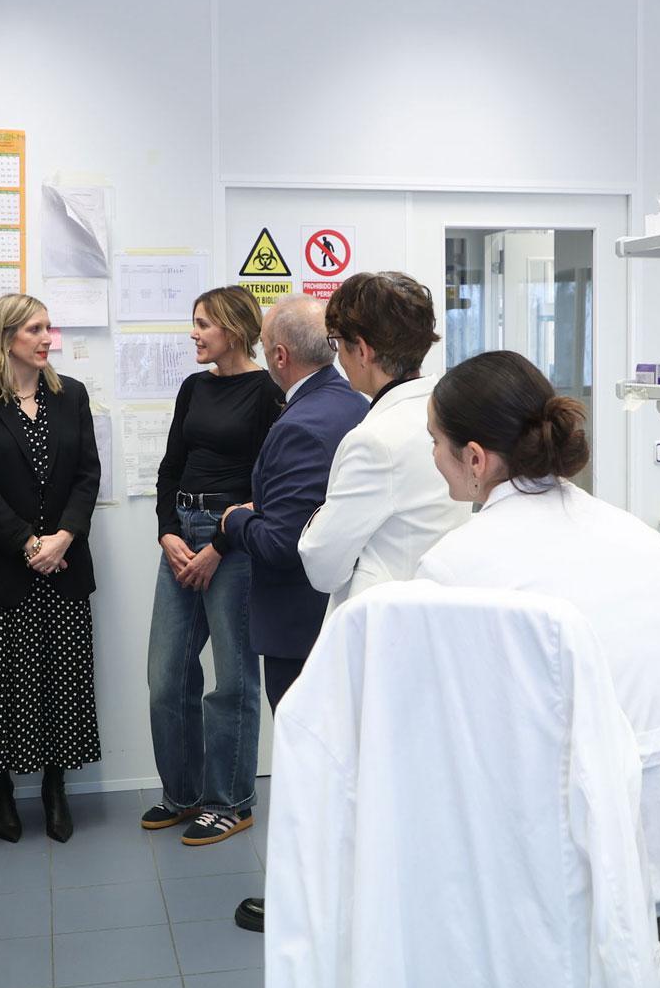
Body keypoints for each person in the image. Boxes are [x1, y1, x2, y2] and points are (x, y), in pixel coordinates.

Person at [415, 350, 660, 939]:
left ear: (474, 459)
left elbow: (442, 739)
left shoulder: (454, 568)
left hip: (556, 866)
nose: (432, 458)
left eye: (435, 441)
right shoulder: (638, 537)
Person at [0, 293, 103, 844]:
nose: (47, 339)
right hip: (0, 567)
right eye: (35, 329)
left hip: (63, 565)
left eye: (49, 328)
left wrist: (62, 538)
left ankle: (55, 786)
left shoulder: (72, 396)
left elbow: (88, 475)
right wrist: (27, 544)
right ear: (6, 335)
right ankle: (0, 787)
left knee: (62, 680)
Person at [144, 286, 282, 847]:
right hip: (183, 532)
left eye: (203, 324)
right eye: (193, 323)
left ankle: (230, 801)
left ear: (233, 327)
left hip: (234, 542)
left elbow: (268, 486)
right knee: (166, 677)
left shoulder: (268, 392)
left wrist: (219, 546)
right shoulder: (193, 387)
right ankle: (182, 794)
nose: (194, 334)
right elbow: (170, 468)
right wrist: (167, 532)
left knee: (233, 681)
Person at [217, 295, 367, 711]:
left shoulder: (300, 425)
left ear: (280, 355)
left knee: (303, 755)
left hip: (298, 628)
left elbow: (284, 543)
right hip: (336, 616)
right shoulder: (354, 403)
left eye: (264, 347)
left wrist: (236, 521)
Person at [300, 271, 470, 611]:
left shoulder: (375, 442)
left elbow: (322, 566)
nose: (339, 359)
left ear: (362, 350)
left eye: (336, 343)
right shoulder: (453, 413)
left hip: (382, 620)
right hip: (438, 610)